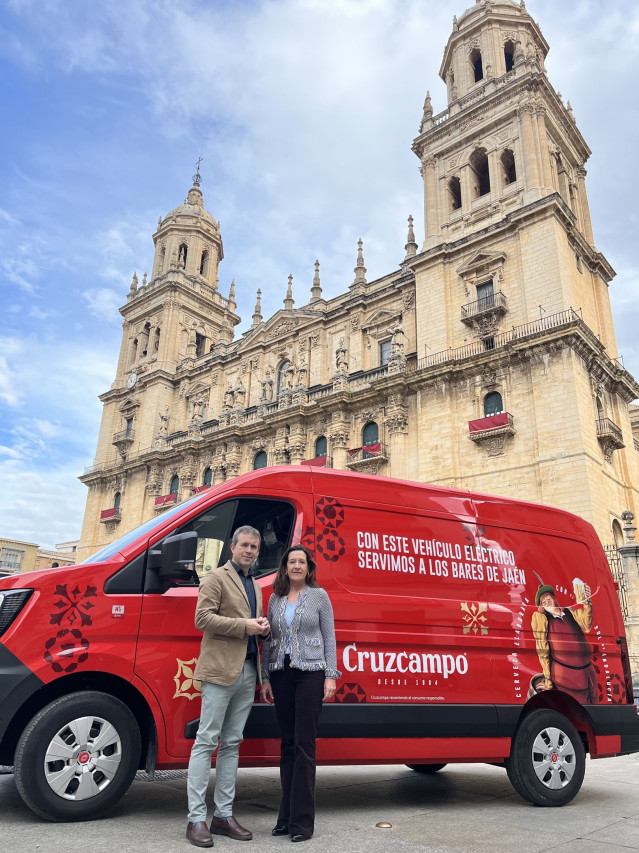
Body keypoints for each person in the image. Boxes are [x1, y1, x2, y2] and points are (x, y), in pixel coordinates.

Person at [186, 525, 271, 848]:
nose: (249, 550)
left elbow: (253, 628)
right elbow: (202, 618)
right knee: (206, 741)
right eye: (244, 545)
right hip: (220, 672)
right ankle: (196, 819)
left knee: (232, 744)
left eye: (254, 547)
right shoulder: (215, 578)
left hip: (249, 671)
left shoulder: (254, 584)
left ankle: (223, 815)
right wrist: (244, 626)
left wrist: (262, 629)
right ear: (232, 547)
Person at [260, 545, 340, 842]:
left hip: (310, 675)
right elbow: (269, 640)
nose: (296, 566)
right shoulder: (275, 599)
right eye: (291, 561)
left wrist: (330, 675)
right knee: (288, 745)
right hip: (282, 675)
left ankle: (302, 823)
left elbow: (329, 636)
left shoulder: (320, 596)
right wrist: (266, 676)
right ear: (284, 567)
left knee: (304, 746)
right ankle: (285, 817)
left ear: (309, 567)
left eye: (301, 562)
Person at [531, 582, 597, 704]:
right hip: (566, 679)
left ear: (553, 599)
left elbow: (587, 625)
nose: (547, 603)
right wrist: (548, 682)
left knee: (595, 712)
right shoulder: (545, 621)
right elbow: (543, 652)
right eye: (543, 603)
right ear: (542, 607)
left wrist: (587, 602)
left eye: (548, 599)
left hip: (588, 674)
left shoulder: (569, 612)